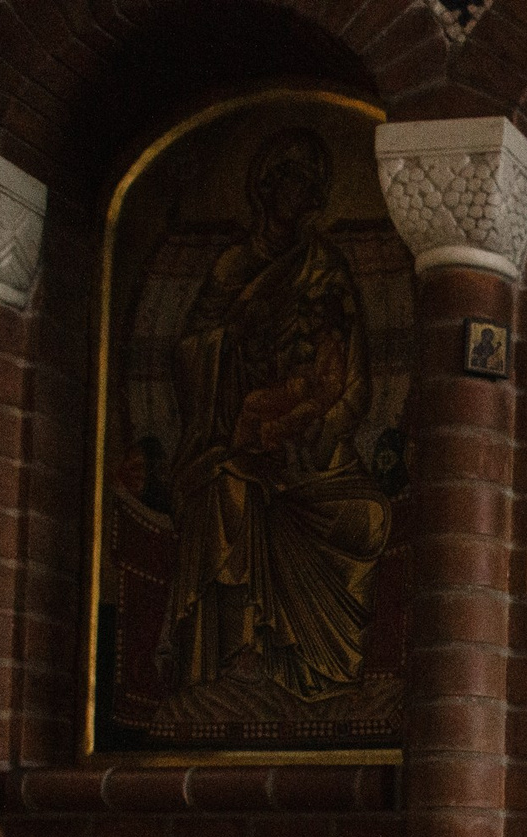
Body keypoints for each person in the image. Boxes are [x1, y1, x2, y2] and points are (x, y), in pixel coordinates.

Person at [160, 127, 388, 706]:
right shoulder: (233, 267)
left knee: (368, 516)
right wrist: (231, 340)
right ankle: (241, 652)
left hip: (312, 455)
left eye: (312, 183)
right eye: (292, 179)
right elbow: (190, 351)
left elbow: (352, 384)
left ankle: (322, 669)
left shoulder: (324, 269)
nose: (301, 191)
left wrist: (319, 429)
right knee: (228, 493)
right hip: (236, 440)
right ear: (267, 187)